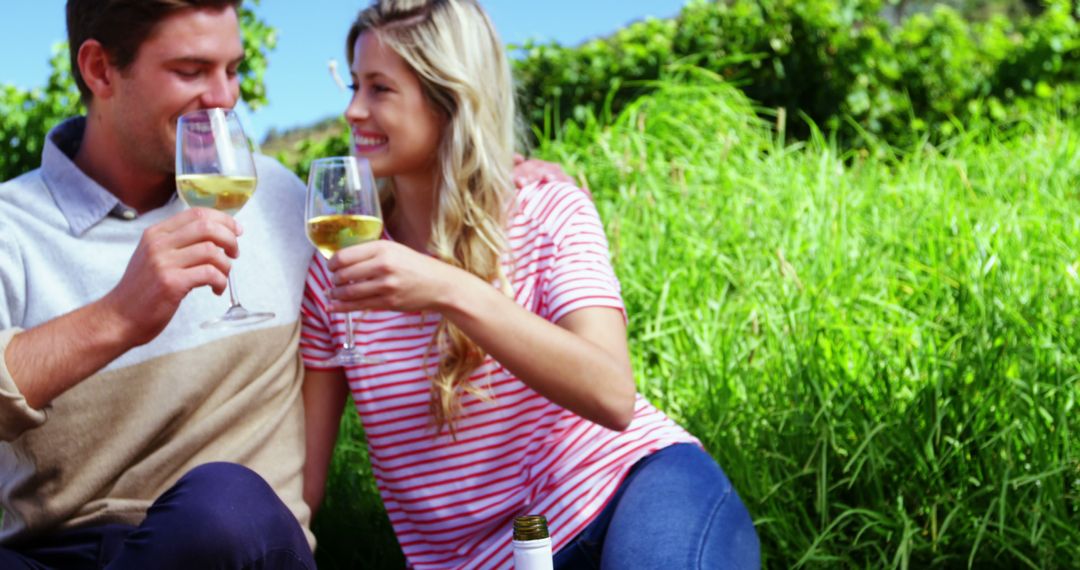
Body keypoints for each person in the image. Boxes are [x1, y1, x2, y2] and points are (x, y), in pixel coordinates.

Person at [300, 1, 761, 568]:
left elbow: (613, 396)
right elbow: (304, 485)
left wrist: (450, 289)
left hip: (626, 488)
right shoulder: (336, 266)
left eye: (380, 89)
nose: (352, 110)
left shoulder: (546, 210)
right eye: (354, 86)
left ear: (451, 100)